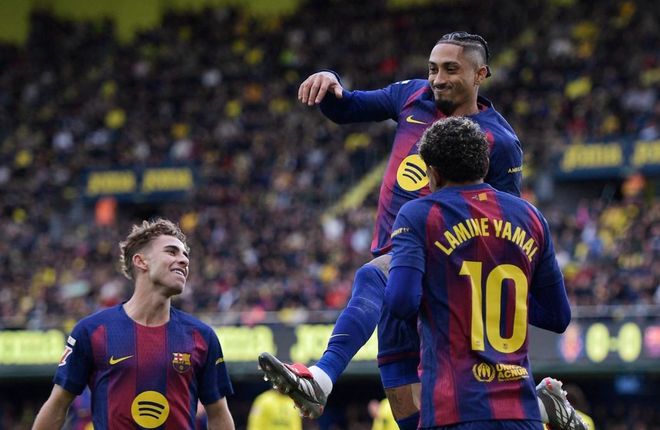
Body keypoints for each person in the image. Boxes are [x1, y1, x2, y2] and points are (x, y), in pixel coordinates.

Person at [258, 31, 584, 430]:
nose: (438, 79)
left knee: (374, 280)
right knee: (407, 410)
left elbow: (498, 219)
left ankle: (321, 378)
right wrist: (329, 83)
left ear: (480, 74)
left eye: (451, 69)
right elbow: (347, 107)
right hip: (400, 268)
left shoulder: (501, 142)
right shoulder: (412, 95)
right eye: (433, 69)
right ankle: (539, 405)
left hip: (442, 269)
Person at [384, 116, 587, 430]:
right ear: (485, 164)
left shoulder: (419, 214)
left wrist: (454, 292)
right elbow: (558, 316)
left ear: (433, 173)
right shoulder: (530, 216)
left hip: (454, 409)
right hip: (521, 414)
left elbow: (401, 302)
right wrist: (500, 299)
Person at [33, 218, 235, 430]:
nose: (184, 260)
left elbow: (218, 414)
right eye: (171, 252)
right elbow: (58, 405)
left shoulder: (202, 336)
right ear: (141, 261)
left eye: (185, 255)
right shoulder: (91, 331)